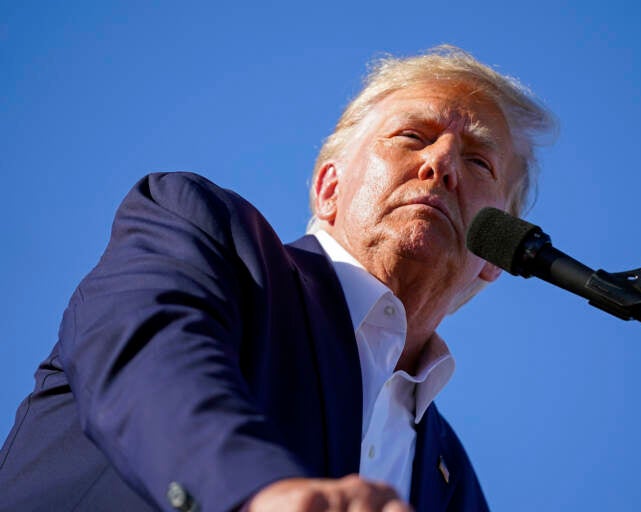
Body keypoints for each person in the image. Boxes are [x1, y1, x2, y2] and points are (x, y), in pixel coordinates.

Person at [0, 46, 553, 511]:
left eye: (480, 162)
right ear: (329, 189)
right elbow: (150, 354)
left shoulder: (453, 481)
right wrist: (259, 491)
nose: (443, 164)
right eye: (412, 136)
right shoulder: (207, 231)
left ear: (495, 256)